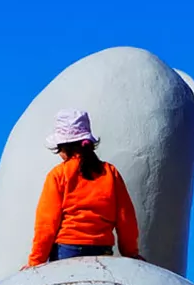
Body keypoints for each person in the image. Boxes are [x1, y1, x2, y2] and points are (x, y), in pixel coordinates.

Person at [26, 109, 144, 268]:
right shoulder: (110, 172)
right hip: (102, 250)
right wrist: (130, 253)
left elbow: (46, 224)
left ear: (64, 147)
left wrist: (36, 262)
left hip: (66, 251)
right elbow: (126, 218)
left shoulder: (58, 175)